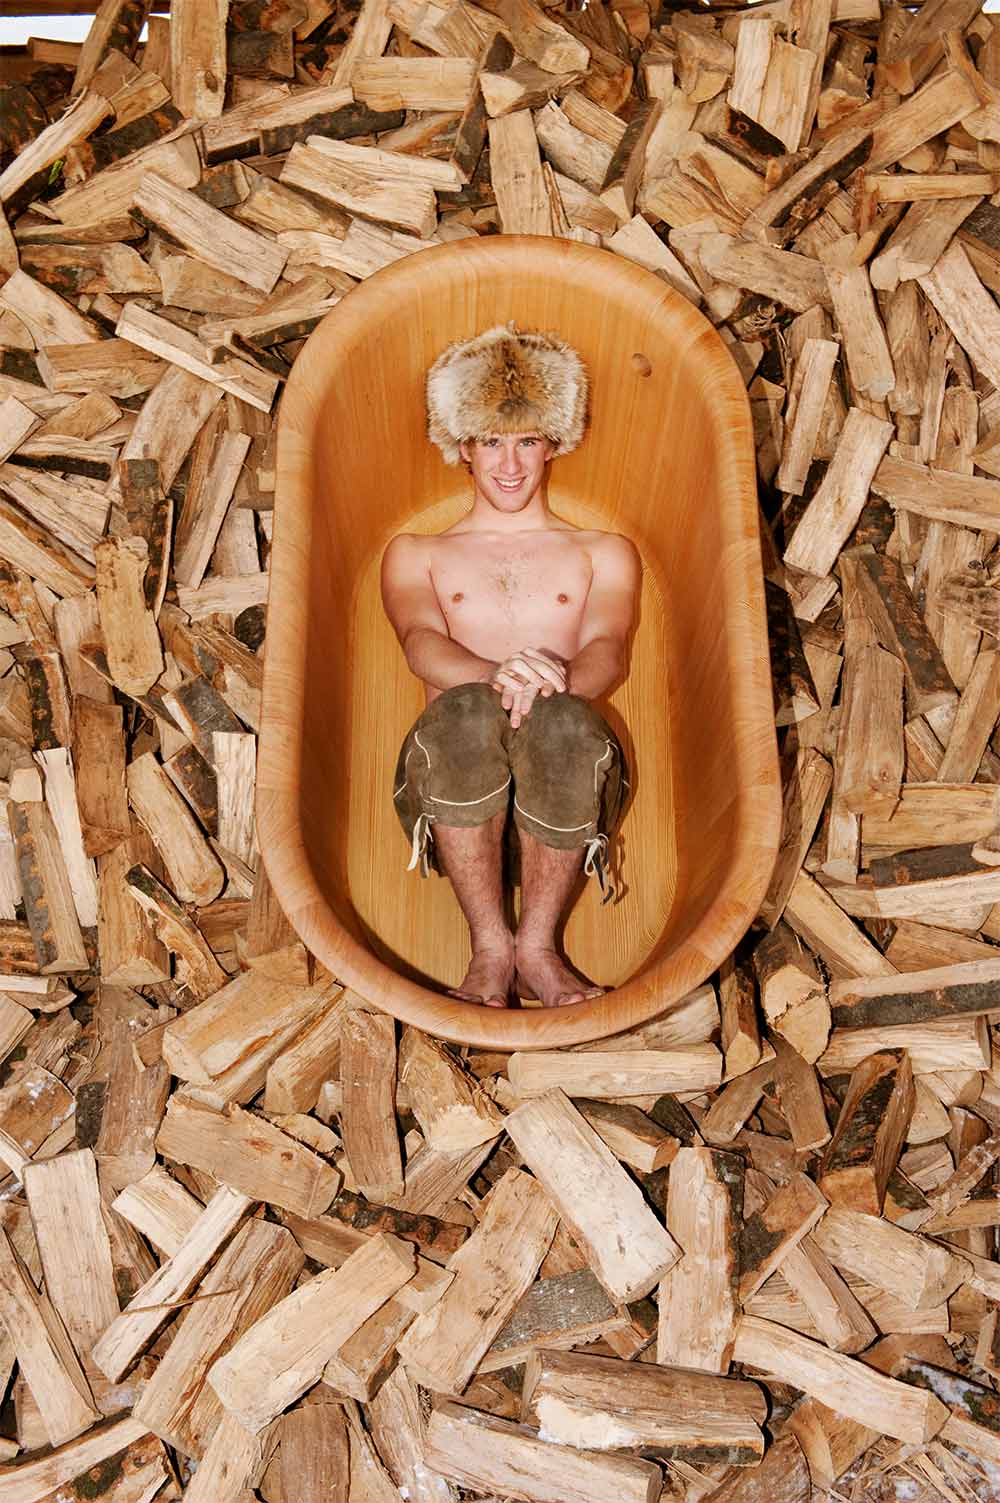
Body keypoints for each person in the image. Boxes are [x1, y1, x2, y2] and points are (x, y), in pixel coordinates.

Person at [381, 323, 640, 1009]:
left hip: (573, 793)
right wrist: (504, 678)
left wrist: (553, 682)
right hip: (455, 798)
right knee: (465, 707)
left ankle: (537, 948)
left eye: (527, 440)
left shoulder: (602, 552)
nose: (510, 464)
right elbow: (419, 641)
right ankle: (490, 947)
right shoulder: (418, 553)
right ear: (462, 447)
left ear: (552, 443)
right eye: (491, 441)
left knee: (561, 718)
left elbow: (607, 649)